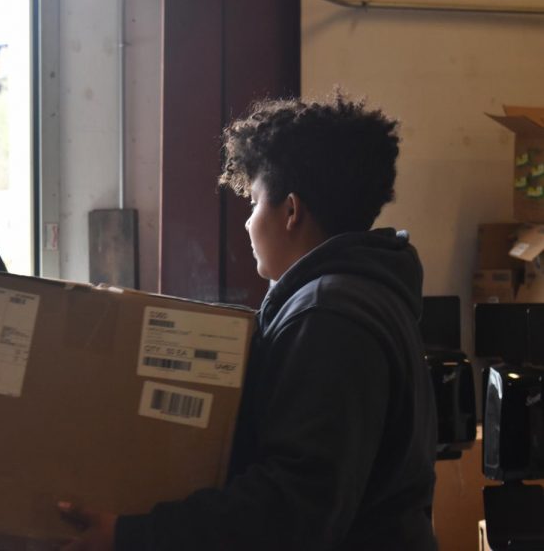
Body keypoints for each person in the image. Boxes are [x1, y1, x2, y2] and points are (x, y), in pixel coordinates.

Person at [59, 93, 438, 550]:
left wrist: (131, 535)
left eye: (254, 202)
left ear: (291, 211)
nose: (247, 224)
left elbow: (291, 510)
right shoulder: (356, 296)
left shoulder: (329, 317)